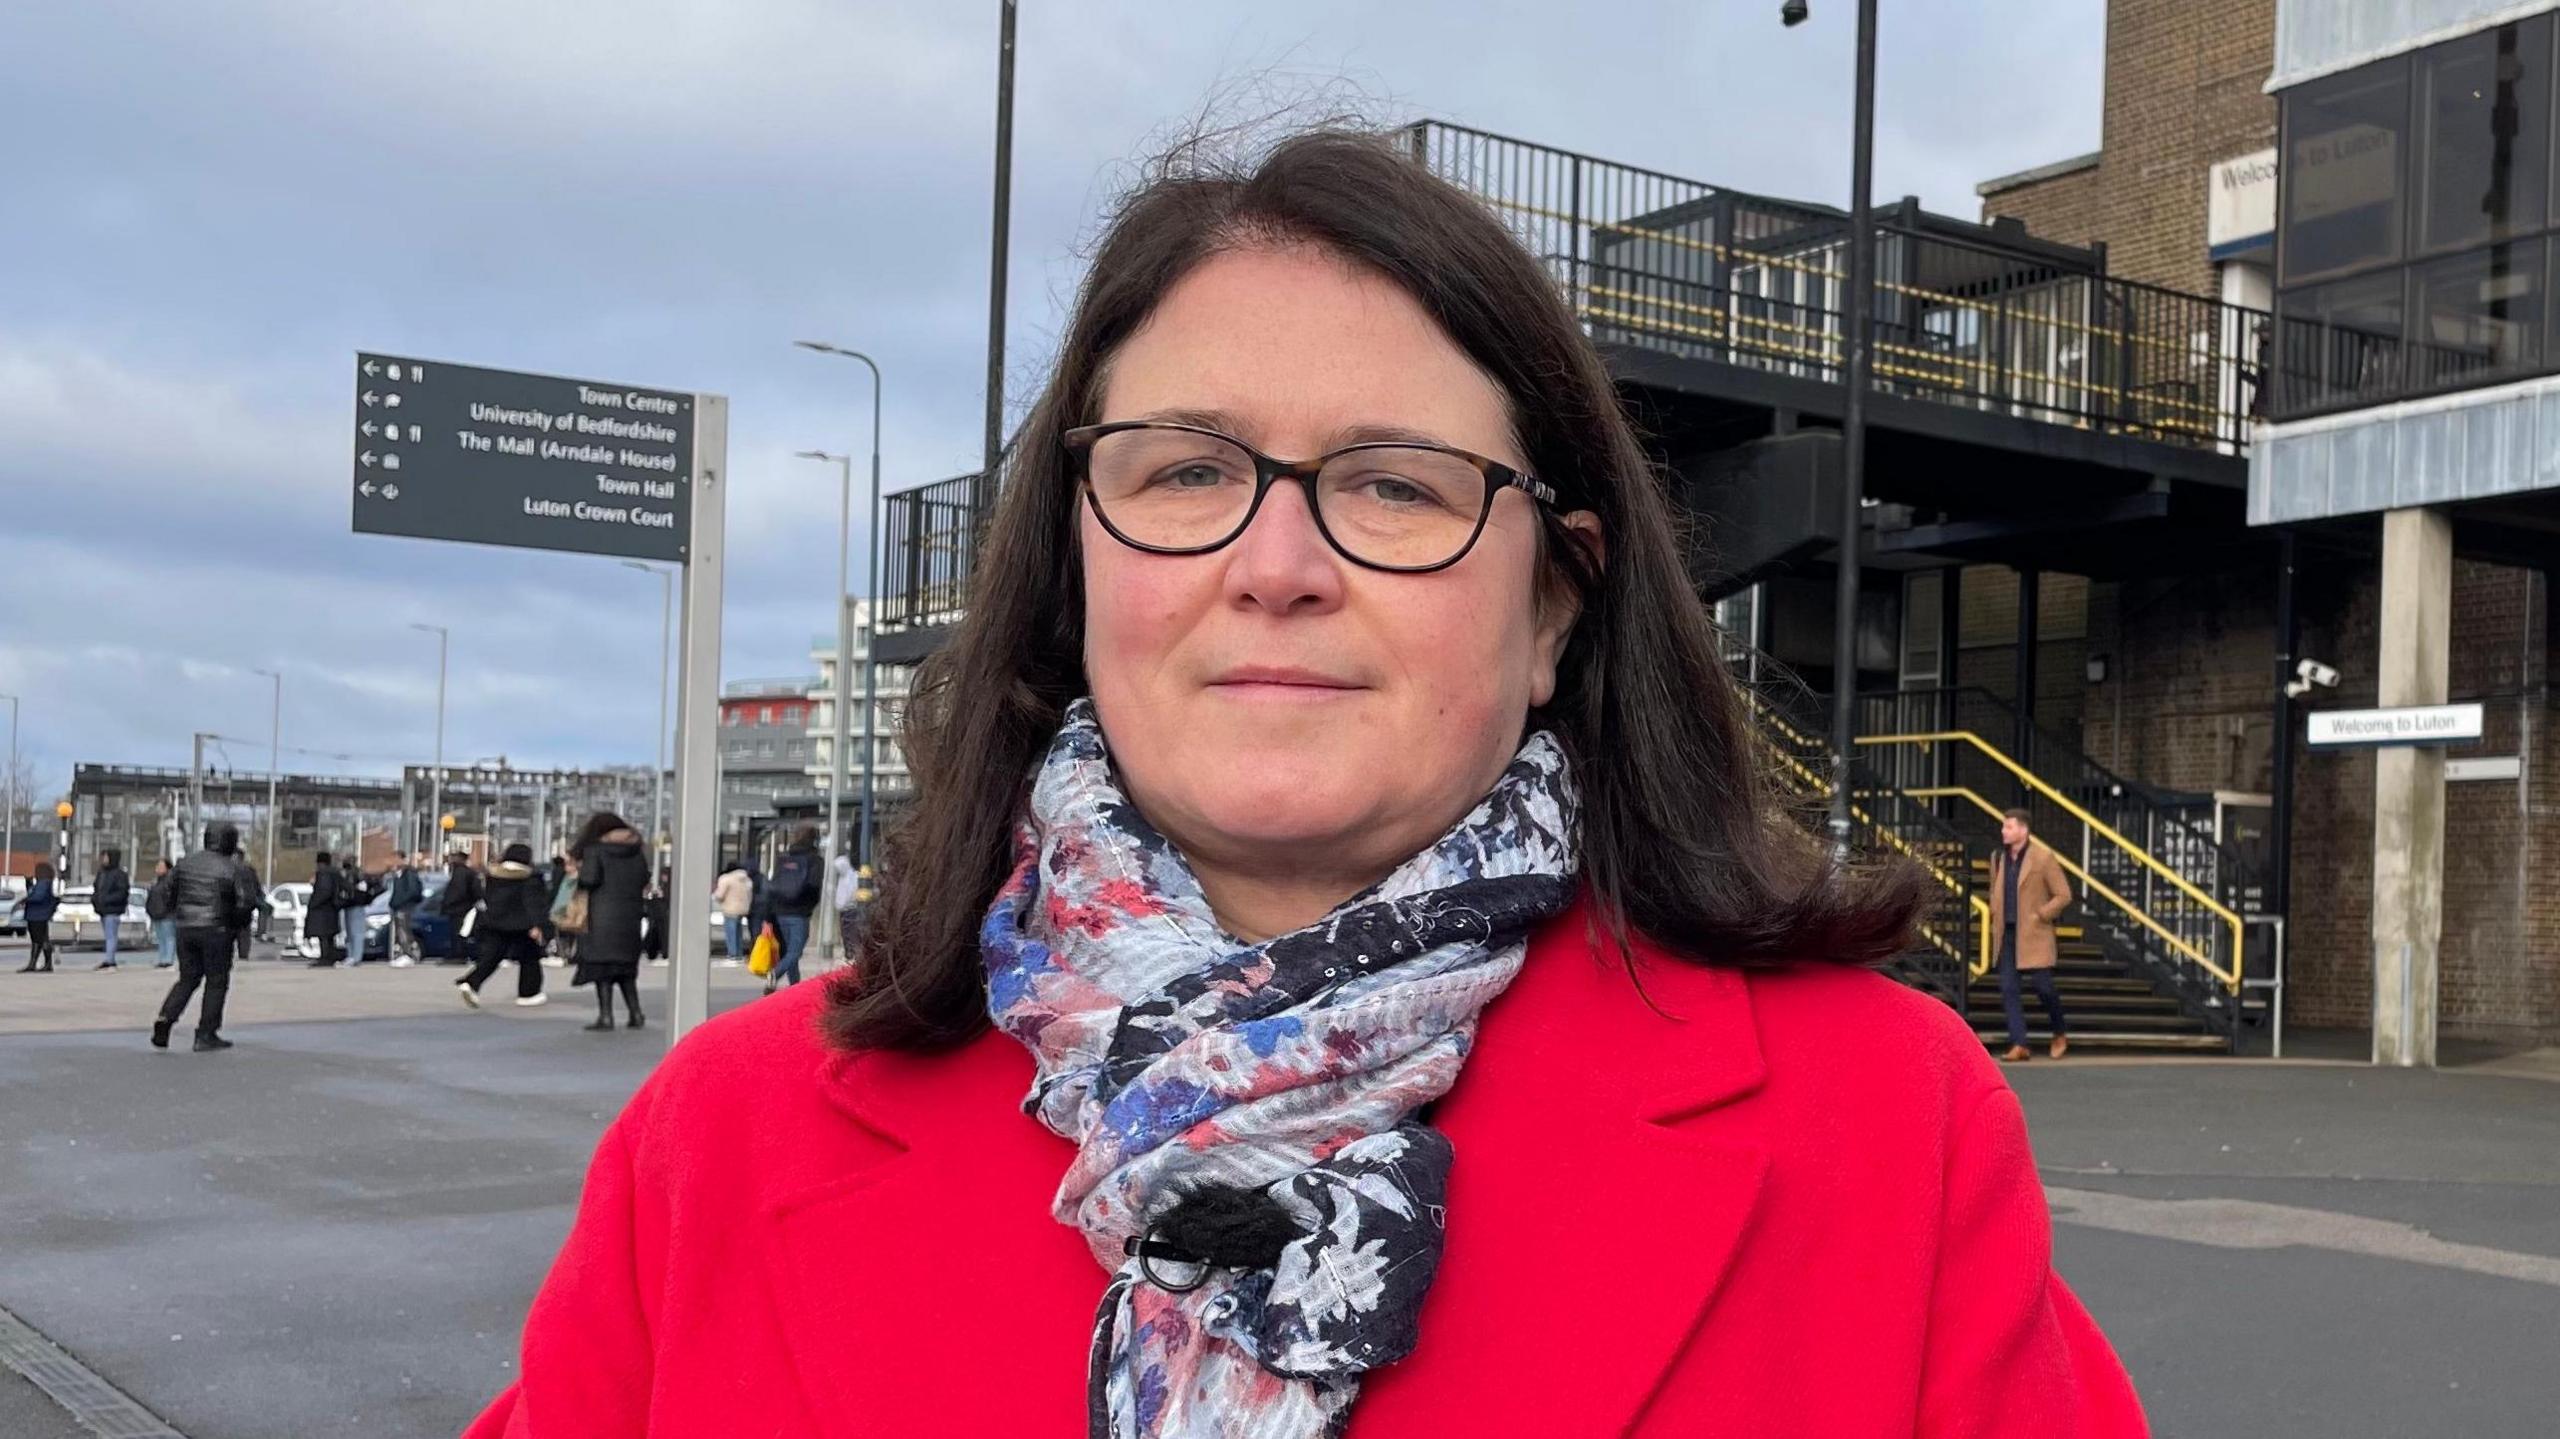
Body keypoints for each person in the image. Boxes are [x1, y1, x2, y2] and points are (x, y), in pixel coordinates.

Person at [469, 128, 2142, 1436]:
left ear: (1554, 601)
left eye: (1396, 485)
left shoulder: (1880, 1123)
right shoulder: (726, 1138)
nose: (1276, 562)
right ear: (1077, 567)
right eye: (1187, 469)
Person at [152, 823, 258, 1052]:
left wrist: (177, 912)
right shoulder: (233, 869)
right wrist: (236, 926)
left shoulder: (185, 864)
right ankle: (206, 1033)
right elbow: (245, 902)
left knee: (188, 978)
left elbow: (165, 891)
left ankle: (166, 1018)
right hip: (216, 928)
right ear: (229, 842)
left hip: (186, 927)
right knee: (216, 981)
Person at [1990, 806, 2074, 1063]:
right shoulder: (1998, 857)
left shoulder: (2043, 857)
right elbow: (1995, 891)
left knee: (2043, 987)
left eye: (2009, 826)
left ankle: (2059, 1032)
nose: (2004, 831)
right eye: (2004, 826)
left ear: (2023, 830)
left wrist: (2041, 914)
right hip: (2007, 933)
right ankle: (2020, 1043)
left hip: (2034, 932)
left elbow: (2064, 894)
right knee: (2008, 988)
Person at [569, 813, 647, 1032]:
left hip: (602, 917)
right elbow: (644, 877)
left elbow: (590, 880)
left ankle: (606, 1016)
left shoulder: (596, 851)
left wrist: (579, 875)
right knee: (626, 969)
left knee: (603, 969)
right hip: (630, 916)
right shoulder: (636, 850)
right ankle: (636, 1012)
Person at [457, 843, 550, 1009]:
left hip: (494, 921)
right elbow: (534, 903)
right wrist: (538, 925)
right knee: (529, 958)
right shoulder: (531, 877)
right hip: (523, 924)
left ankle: (472, 982)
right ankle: (528, 993)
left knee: (492, 956)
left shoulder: (494, 875)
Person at [757, 823, 822, 993]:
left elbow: (772, 888)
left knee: (789, 952)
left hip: (780, 912)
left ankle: (795, 987)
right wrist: (809, 904)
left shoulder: (784, 859)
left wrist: (768, 916)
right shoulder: (814, 860)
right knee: (795, 952)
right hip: (799, 912)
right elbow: (814, 886)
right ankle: (775, 974)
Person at [435, 850, 483, 965]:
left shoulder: (462, 873)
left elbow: (460, 891)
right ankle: (456, 953)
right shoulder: (462, 872)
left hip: (460, 909)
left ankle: (458, 955)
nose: (451, 860)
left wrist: (451, 902)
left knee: (459, 932)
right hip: (459, 908)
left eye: (454, 857)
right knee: (457, 932)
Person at [386, 850, 429, 965]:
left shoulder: (409, 873)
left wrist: (399, 901)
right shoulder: (397, 875)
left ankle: (408, 954)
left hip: (405, 907)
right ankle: (403, 953)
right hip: (399, 907)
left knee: (404, 931)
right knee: (400, 931)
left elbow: (412, 891)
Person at [16, 862, 59, 972]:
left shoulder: (43, 883)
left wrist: (26, 900)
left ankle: (40, 963)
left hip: (37, 915)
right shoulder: (43, 883)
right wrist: (29, 884)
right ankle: (40, 963)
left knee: (39, 939)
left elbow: (38, 897)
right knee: (40, 939)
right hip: (40, 915)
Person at [91, 848, 130, 970]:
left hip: (113, 909)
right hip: (103, 909)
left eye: (106, 857)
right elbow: (96, 889)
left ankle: (110, 960)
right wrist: (95, 900)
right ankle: (109, 958)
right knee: (108, 935)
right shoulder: (102, 873)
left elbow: (122, 892)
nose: (104, 859)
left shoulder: (119, 874)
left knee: (111, 935)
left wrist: (106, 899)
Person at [711, 861, 752, 968]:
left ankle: (732, 954)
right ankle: (738, 953)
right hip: (743, 908)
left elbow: (720, 894)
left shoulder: (726, 878)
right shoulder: (746, 879)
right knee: (738, 932)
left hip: (730, 908)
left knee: (730, 933)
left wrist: (715, 897)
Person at [305, 851, 343, 967]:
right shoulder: (335, 873)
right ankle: (329, 957)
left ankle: (325, 958)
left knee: (323, 935)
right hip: (332, 909)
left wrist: (314, 903)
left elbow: (324, 891)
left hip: (323, 910)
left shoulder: (323, 873)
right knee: (329, 936)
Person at [336, 854, 375, 964]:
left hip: (355, 905)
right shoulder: (352, 874)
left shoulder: (357, 874)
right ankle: (352, 955)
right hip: (351, 905)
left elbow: (360, 890)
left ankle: (355, 957)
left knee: (355, 932)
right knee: (350, 932)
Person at [234, 855, 270, 964]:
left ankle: (230, 955)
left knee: (229, 931)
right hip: (247, 905)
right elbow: (257, 887)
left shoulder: (228, 868)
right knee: (244, 931)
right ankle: (244, 955)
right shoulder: (249, 870)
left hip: (233, 905)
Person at [146, 858, 178, 968]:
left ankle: (168, 959)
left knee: (169, 937)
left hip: (167, 914)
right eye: (157, 866)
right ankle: (162, 958)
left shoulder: (170, 880)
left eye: (161, 866)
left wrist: (167, 908)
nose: (158, 869)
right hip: (156, 914)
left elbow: (171, 897)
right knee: (160, 938)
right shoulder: (156, 882)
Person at [639, 867, 671, 966]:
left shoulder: (667, 887)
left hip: (662, 913)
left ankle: (654, 950)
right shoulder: (667, 886)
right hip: (663, 913)